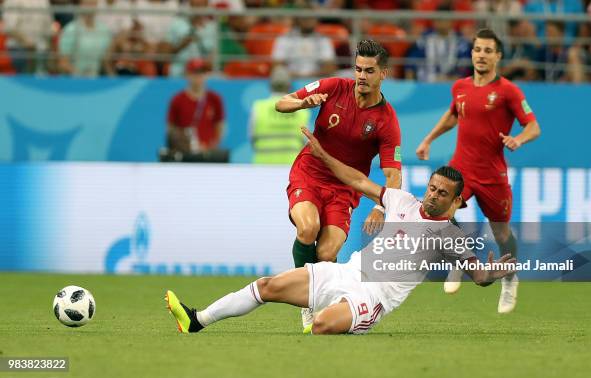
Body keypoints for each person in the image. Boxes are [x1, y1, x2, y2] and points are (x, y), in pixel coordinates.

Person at [164, 128, 516, 335]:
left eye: (443, 193)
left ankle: (331, 318)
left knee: (319, 327)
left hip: (373, 298)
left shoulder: (451, 235)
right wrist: (322, 153)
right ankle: (197, 320)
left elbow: (478, 274)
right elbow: (357, 180)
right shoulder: (401, 200)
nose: (435, 195)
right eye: (433, 188)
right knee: (267, 286)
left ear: (456, 201)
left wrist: (494, 273)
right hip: (347, 271)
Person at [274, 39, 402, 330]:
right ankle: (307, 303)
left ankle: (326, 302)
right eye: (358, 69)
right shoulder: (333, 87)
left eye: (369, 71)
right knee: (308, 228)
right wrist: (301, 103)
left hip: (344, 189)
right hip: (310, 172)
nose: (361, 76)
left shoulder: (386, 121)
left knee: (328, 253)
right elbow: (282, 102)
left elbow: (393, 175)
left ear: (383, 74)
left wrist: (381, 207)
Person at [415, 28, 541, 314]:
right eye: (477, 50)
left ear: (497, 56)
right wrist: (428, 139)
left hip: (492, 174)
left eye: (487, 51)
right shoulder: (459, 86)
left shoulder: (508, 91)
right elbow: (452, 116)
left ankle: (510, 278)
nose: (481, 55)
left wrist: (518, 139)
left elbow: (534, 126)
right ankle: (460, 264)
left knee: (502, 233)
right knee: (442, 214)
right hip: (461, 168)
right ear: (471, 53)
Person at [249, 66, 310, 164]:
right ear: (289, 86)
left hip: (262, 165)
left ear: (270, 85)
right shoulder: (301, 109)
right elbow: (306, 142)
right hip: (292, 166)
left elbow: (252, 138)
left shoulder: (258, 107)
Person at [166, 58, 225, 154]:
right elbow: (171, 129)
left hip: (207, 153)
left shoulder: (215, 99)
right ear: (187, 74)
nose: (199, 76)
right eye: (195, 72)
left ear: (207, 75)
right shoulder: (177, 100)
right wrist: (184, 146)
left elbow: (220, 126)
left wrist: (211, 147)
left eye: (202, 72)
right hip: (184, 153)